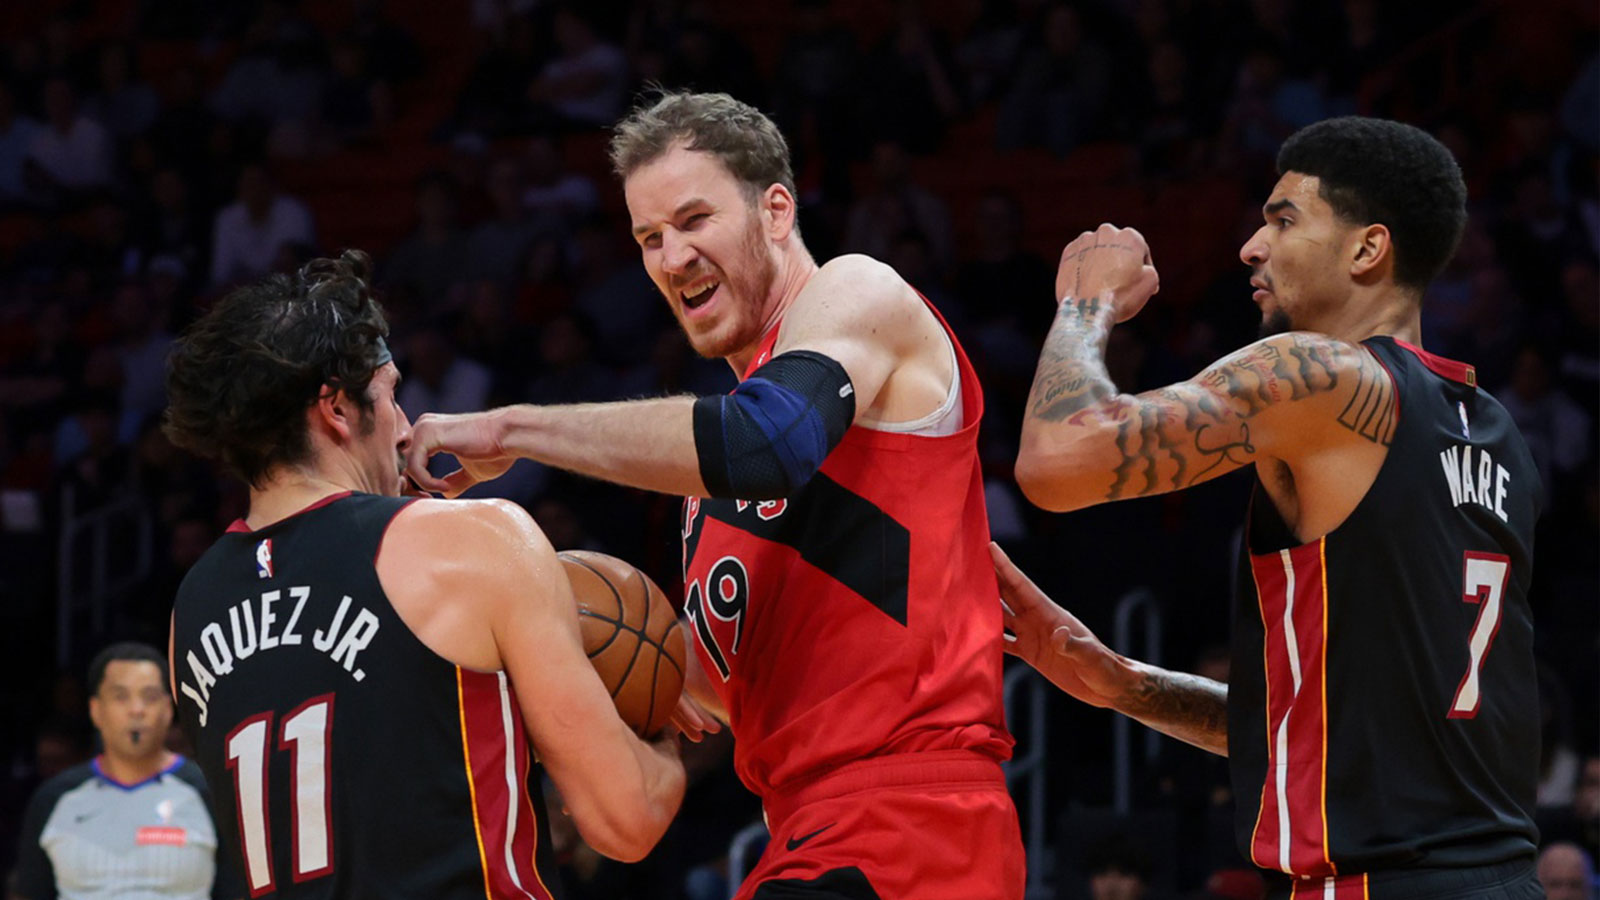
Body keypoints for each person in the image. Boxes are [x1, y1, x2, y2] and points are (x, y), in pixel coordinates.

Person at [405, 90, 1024, 900]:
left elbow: (767, 441)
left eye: (694, 221)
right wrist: (548, 620)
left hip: (913, 824)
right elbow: (714, 690)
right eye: (649, 238)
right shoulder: (707, 489)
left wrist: (514, 429)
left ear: (775, 210)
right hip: (804, 831)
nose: (671, 258)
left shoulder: (854, 294)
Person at [999, 117, 1544, 898]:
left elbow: (1057, 462)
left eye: (1283, 220)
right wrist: (1126, 684)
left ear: (1367, 249)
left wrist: (1085, 306)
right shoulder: (1496, 435)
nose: (1252, 246)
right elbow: (1352, 739)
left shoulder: (1323, 373)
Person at [162, 250, 684, 898]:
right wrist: (656, 732)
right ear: (336, 408)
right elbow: (625, 817)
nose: (407, 428)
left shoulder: (193, 607)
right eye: (390, 395)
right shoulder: (474, 539)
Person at [11, 642, 242, 900]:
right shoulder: (54, 798)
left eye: (150, 696)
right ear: (95, 710)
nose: (136, 710)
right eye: (121, 696)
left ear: (168, 709)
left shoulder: (209, 793)